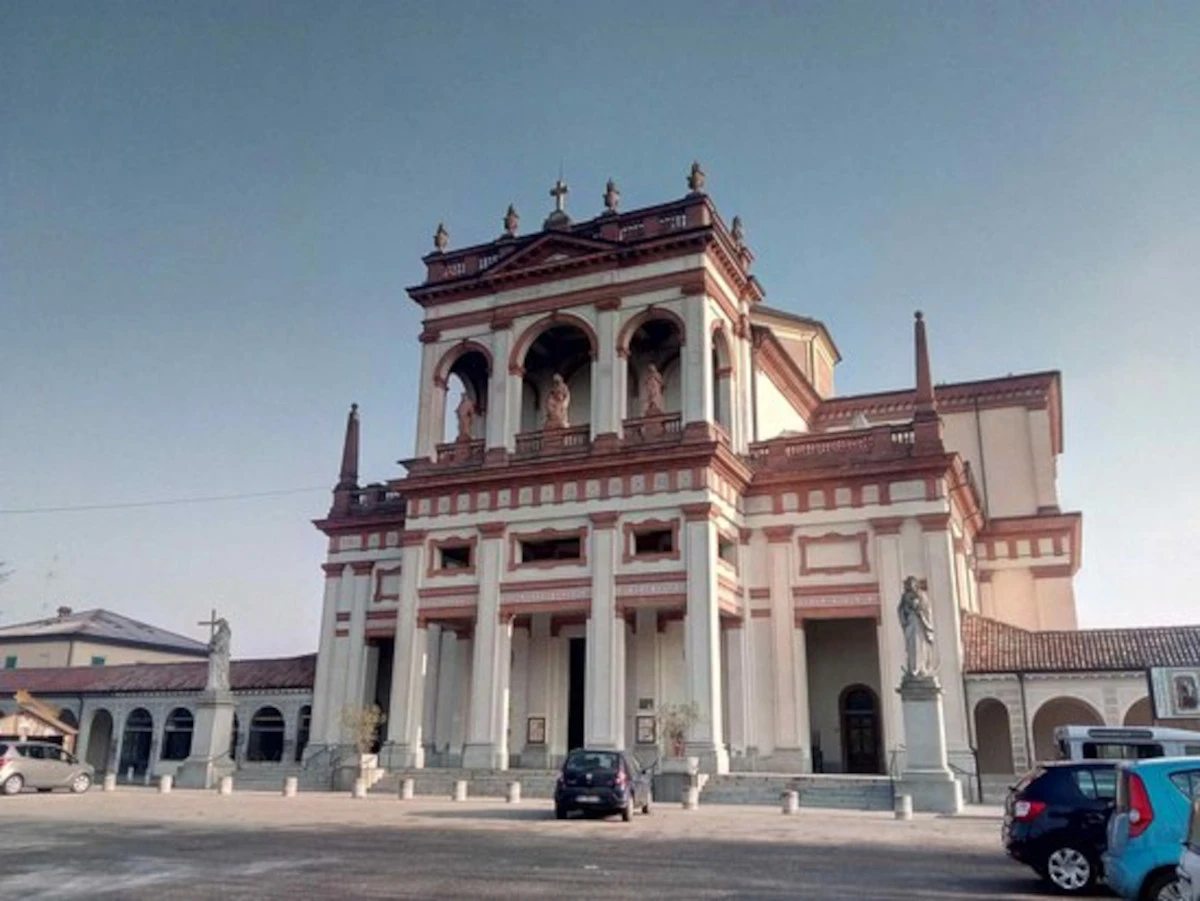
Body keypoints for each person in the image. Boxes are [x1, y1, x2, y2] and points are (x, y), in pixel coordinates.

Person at [897, 577, 935, 678]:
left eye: (912, 584)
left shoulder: (922, 595)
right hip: (910, 624)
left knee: (921, 645)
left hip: (920, 624)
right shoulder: (904, 597)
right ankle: (913, 668)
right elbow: (900, 610)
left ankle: (922, 668)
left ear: (916, 584)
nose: (910, 586)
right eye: (908, 584)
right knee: (911, 645)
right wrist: (906, 611)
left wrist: (921, 612)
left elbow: (927, 609)